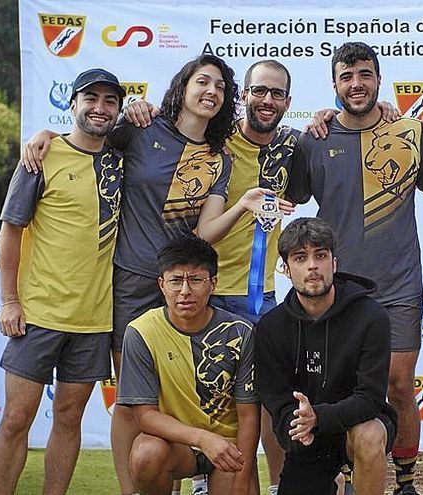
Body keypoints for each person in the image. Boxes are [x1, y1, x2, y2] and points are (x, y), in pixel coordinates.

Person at [23, 54, 287, 494]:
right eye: (203, 82)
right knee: (132, 403)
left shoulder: (218, 157)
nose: (212, 92)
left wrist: (242, 207)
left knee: (182, 398)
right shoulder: (141, 129)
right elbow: (85, 138)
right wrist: (44, 134)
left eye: (221, 87)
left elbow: (205, 232)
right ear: (182, 87)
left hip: (183, 287)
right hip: (130, 282)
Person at [124, 58, 299, 495]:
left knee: (268, 403)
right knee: (182, 398)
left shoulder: (295, 145)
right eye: (259, 90)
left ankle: (278, 486)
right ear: (244, 97)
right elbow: (91, 135)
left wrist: (334, 114)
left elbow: (344, 132)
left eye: (277, 93)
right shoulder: (217, 145)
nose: (267, 100)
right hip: (204, 292)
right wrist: (47, 135)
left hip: (261, 297)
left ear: (287, 101)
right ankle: (200, 478)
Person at [287, 42, 423, 495]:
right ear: (334, 84)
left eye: (365, 75)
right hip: (339, 290)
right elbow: (284, 199)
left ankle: (405, 482)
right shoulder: (314, 139)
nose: (356, 84)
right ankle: (349, 476)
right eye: (347, 77)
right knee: (344, 389)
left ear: (378, 79)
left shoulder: (409, 134)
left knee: (399, 384)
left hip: (399, 283)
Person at [0, 68, 126, 495]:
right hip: (38, 313)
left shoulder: (123, 158)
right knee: (16, 419)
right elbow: (10, 230)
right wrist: (9, 300)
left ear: (118, 110)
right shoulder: (41, 156)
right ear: (72, 105)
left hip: (93, 319)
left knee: (69, 419)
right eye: (91, 99)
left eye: (110, 101)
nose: (99, 108)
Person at [254, 217, 397, 495]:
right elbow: (276, 401)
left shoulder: (371, 316)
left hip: (357, 424)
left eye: (320, 255)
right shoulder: (270, 328)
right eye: (300, 258)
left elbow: (370, 398)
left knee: (368, 434)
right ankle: (336, 484)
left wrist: (318, 416)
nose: (312, 266)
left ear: (334, 263)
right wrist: (299, 431)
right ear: (285, 269)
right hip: (308, 437)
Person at [116, 236, 259, 495]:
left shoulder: (241, 332)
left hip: (228, 448)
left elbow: (249, 414)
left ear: (212, 284)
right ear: (161, 284)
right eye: (175, 280)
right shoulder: (141, 331)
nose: (185, 291)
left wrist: (241, 481)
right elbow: (144, 415)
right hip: (177, 445)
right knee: (147, 453)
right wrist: (203, 439)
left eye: (195, 280)